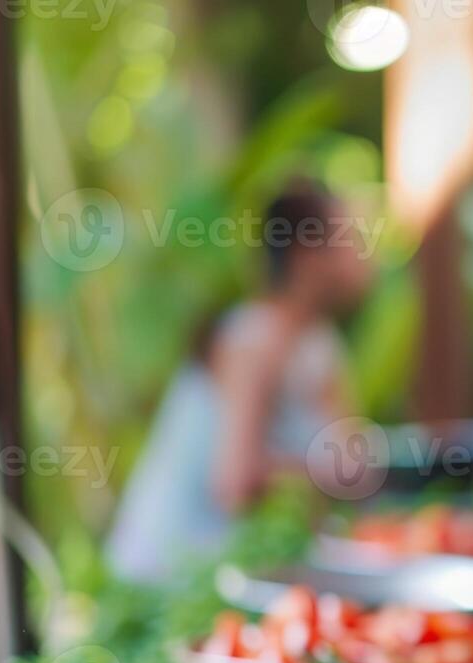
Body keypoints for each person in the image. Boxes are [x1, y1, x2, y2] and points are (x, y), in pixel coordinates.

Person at [106, 183, 374, 582]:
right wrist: (323, 473)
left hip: (243, 572)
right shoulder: (253, 340)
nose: (367, 256)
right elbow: (234, 482)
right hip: (171, 576)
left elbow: (354, 460)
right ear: (306, 255)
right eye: (351, 238)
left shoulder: (320, 345)